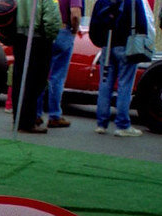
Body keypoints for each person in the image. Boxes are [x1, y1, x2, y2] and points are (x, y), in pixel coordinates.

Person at [95, 0, 152, 137]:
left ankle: (101, 123)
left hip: (107, 45)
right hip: (127, 45)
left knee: (105, 83)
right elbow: (141, 23)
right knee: (125, 85)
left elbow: (96, 21)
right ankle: (122, 125)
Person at [11, 0, 61, 133]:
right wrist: (51, 36)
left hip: (19, 36)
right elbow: (51, 18)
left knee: (20, 79)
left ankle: (18, 120)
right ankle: (28, 122)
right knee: (36, 81)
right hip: (39, 39)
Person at [36, 0, 83, 128]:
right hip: (63, 30)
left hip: (44, 31)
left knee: (41, 74)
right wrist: (75, 29)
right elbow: (75, 13)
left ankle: (36, 113)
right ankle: (54, 115)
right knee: (57, 76)